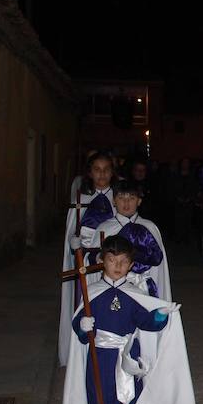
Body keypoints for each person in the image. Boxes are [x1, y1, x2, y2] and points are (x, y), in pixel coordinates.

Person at [59, 235, 198, 404]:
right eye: (112, 260)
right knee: (102, 396)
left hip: (128, 354)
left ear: (131, 265)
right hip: (101, 354)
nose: (118, 266)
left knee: (132, 396)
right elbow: (81, 329)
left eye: (124, 261)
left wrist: (160, 315)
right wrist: (83, 326)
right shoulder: (92, 293)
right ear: (102, 261)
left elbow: (146, 322)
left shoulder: (135, 293)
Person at [58, 152, 117, 366]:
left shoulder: (119, 199)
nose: (102, 174)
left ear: (112, 172)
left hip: (113, 264)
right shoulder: (80, 201)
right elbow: (72, 232)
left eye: (106, 169)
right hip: (87, 265)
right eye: (97, 170)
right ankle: (83, 353)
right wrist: (73, 243)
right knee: (88, 305)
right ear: (90, 173)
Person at [94, 180, 171, 300]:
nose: (126, 202)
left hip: (144, 287)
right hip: (113, 285)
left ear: (139, 201)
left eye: (132, 198)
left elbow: (158, 267)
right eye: (121, 198)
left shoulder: (150, 227)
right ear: (113, 201)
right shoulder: (104, 228)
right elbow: (93, 260)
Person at [169, 157, 201, 244]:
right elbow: (172, 189)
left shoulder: (193, 176)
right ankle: (178, 238)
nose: (185, 164)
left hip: (189, 203)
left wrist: (190, 198)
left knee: (188, 221)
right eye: (184, 162)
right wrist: (177, 198)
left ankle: (186, 238)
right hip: (177, 203)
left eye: (187, 162)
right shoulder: (175, 176)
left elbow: (195, 188)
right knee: (178, 221)